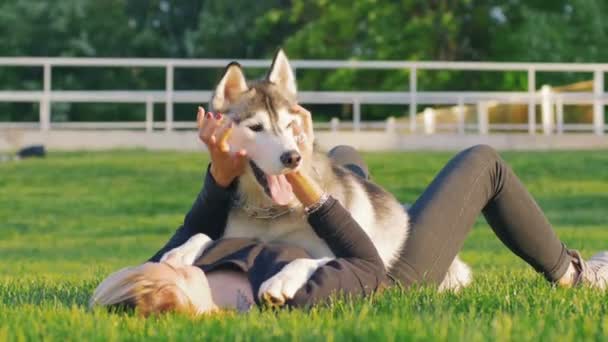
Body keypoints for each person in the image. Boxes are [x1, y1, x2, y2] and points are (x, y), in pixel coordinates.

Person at [91, 105, 608, 316]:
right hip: (390, 271)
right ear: (182, 303)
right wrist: (297, 173)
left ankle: (377, 201)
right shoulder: (278, 296)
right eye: (168, 270)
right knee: (482, 163)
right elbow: (364, 268)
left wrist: (221, 172)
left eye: (156, 261)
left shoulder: (193, 268)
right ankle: (574, 273)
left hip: (342, 236)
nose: (173, 258)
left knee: (344, 159)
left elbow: (196, 228)